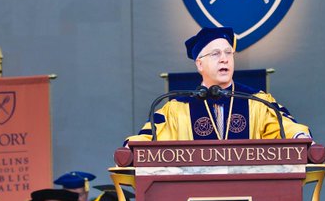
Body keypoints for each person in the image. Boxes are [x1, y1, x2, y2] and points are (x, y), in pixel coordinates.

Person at [126, 26, 311, 142]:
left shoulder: (257, 101)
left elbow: (285, 127)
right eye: (215, 54)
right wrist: (131, 151)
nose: (224, 59)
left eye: (228, 53)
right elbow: (147, 141)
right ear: (199, 64)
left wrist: (300, 136)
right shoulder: (177, 109)